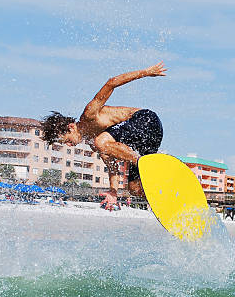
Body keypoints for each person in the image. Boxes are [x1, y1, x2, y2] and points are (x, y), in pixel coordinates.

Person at [41, 62, 166, 207]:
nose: (69, 145)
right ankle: (165, 194)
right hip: (145, 140)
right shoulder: (99, 143)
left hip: (147, 120)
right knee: (134, 188)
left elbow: (111, 83)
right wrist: (113, 191)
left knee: (100, 142)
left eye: (66, 141)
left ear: (70, 128)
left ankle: (145, 163)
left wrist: (146, 71)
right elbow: (113, 168)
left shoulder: (90, 115)